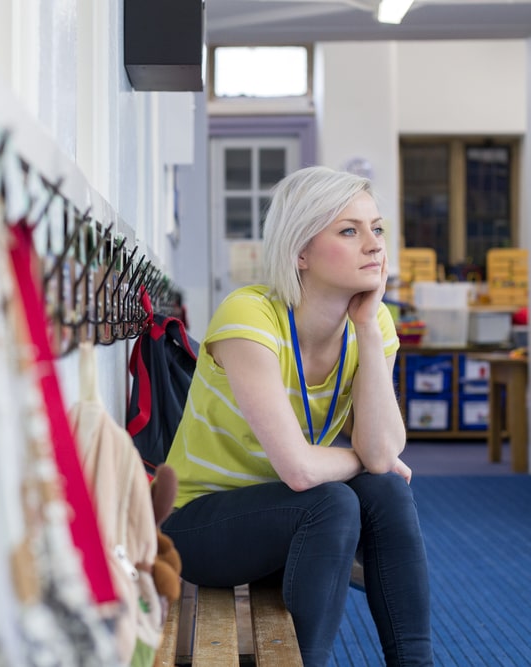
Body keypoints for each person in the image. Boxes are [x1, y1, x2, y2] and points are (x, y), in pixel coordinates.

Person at [161, 165, 433, 666]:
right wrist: (361, 458)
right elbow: (302, 469)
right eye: (348, 231)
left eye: (376, 228)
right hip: (197, 528)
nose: (373, 245)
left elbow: (384, 453)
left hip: (290, 522)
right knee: (331, 502)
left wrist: (369, 333)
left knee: (386, 489)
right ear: (300, 251)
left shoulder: (372, 323)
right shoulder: (249, 317)